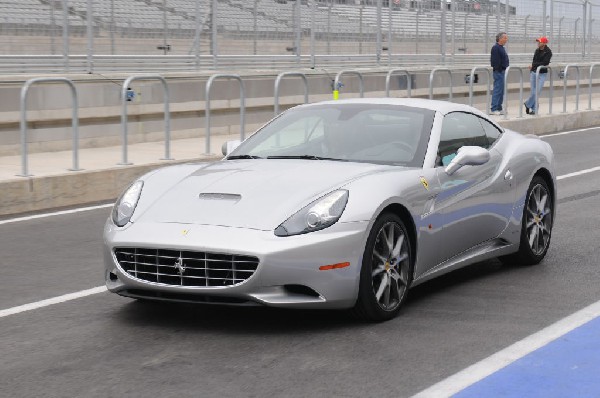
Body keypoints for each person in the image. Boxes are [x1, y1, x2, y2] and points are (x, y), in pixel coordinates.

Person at [524, 36, 553, 115]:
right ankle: (534, 110)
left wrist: (534, 65)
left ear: (544, 43)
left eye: (540, 42)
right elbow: (534, 61)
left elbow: (545, 62)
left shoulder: (548, 52)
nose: (538, 43)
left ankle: (527, 104)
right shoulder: (537, 50)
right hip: (533, 72)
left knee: (537, 92)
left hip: (542, 73)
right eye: (538, 42)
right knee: (533, 92)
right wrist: (534, 65)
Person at [490, 32, 509, 115]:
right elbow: (494, 61)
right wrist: (500, 69)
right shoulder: (495, 48)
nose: (506, 39)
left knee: (501, 91)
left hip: (502, 71)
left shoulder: (501, 47)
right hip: (499, 72)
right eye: (505, 38)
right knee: (497, 90)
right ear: (500, 39)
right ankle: (494, 108)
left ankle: (499, 107)